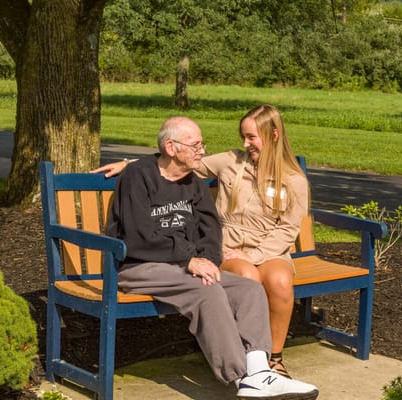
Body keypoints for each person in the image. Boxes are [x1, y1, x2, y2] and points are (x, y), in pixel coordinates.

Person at [104, 116, 318, 400]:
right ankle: (239, 375)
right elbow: (138, 234)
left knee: (249, 289)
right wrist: (188, 261)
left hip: (184, 264)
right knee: (206, 290)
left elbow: (210, 229)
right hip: (141, 264)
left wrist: (207, 258)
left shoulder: (193, 182)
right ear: (171, 147)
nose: (202, 151)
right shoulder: (139, 176)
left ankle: (259, 371)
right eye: (195, 145)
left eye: (201, 144)